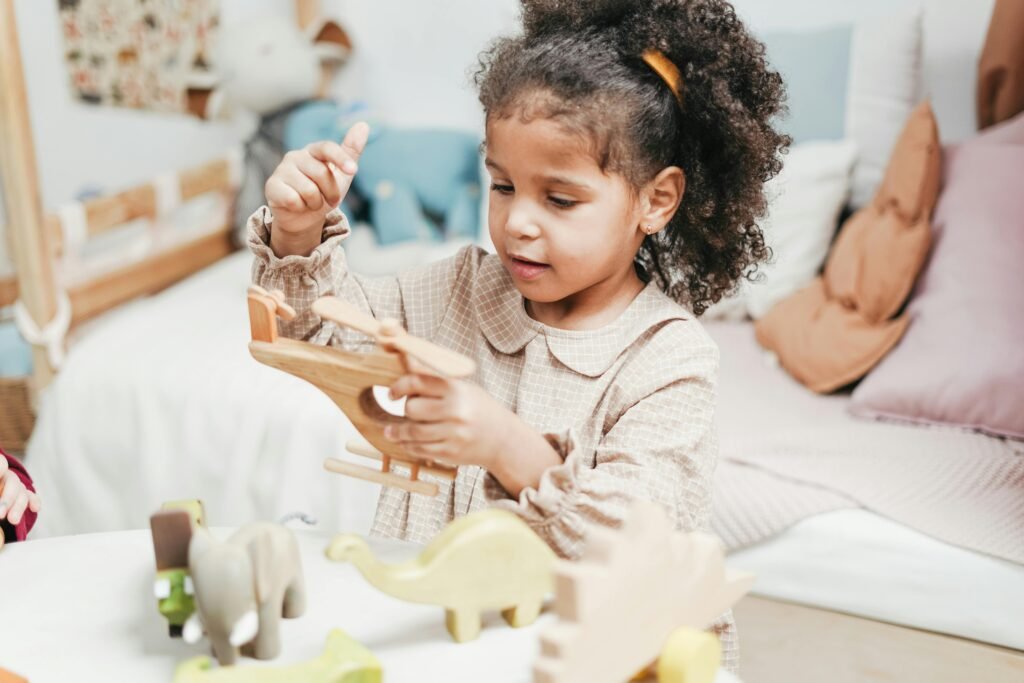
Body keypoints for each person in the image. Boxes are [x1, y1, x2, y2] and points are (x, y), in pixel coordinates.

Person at [249, 0, 787, 668]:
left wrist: (503, 442)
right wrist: (297, 231)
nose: (517, 223)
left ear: (655, 200)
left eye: (559, 199)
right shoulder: (459, 290)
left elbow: (633, 539)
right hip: (445, 646)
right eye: (502, 186)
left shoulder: (669, 360)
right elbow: (324, 334)